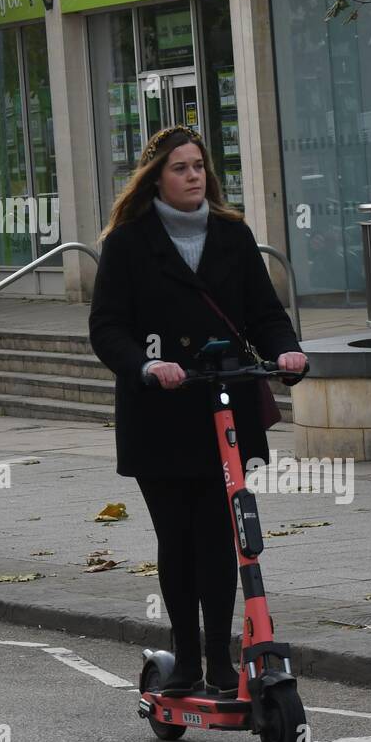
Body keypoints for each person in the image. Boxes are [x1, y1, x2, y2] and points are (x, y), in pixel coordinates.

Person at [88, 125, 307, 697]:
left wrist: (287, 350)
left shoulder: (233, 236)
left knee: (219, 537)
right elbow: (107, 326)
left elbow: (264, 311)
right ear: (156, 178)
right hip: (160, 415)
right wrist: (144, 366)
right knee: (177, 538)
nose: (194, 176)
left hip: (224, 409)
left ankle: (219, 661)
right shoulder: (130, 241)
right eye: (181, 168)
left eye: (199, 167)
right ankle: (185, 657)